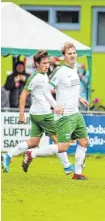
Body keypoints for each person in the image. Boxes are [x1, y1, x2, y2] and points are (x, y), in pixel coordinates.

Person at [22, 43, 90, 180]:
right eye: (69, 53)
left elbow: (69, 89)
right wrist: (55, 105)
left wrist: (80, 97)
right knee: (62, 147)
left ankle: (77, 174)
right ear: (64, 56)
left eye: (74, 53)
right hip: (64, 116)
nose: (73, 55)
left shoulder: (74, 69)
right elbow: (46, 89)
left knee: (84, 142)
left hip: (75, 113)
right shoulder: (60, 71)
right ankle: (31, 154)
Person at [1, 50, 74, 174]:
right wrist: (21, 114)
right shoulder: (35, 77)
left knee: (33, 142)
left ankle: (7, 156)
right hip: (43, 114)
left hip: (36, 114)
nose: (47, 65)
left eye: (47, 63)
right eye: (44, 63)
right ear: (36, 64)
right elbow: (24, 95)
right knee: (60, 140)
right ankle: (67, 166)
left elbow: (45, 90)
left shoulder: (42, 75)